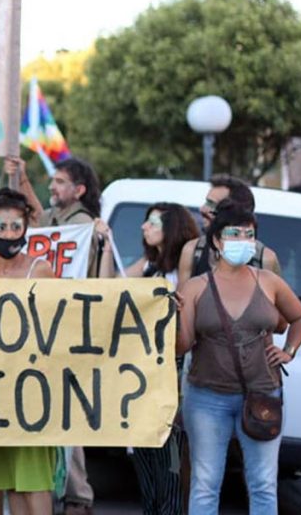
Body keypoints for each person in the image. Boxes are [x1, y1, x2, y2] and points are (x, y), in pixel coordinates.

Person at [176, 198, 301, 514]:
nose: (243, 241)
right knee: (206, 483)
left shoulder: (269, 281)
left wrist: (288, 350)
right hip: (206, 396)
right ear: (217, 241)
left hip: (262, 393)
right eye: (235, 234)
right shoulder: (195, 287)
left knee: (263, 484)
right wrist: (178, 315)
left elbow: (300, 318)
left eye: (249, 235)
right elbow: (182, 346)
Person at [6, 156, 100, 514]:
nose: (53, 187)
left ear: (79, 190)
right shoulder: (59, 221)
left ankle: (78, 495)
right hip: (48, 331)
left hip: (69, 330)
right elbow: (36, 218)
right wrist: (23, 178)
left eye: (59, 182)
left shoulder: (83, 225)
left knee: (67, 415)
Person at [96, 203, 198, 515]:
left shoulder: (186, 270)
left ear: (173, 228)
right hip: (142, 378)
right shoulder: (150, 264)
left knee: (169, 462)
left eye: (152, 222)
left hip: (171, 376)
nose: (144, 227)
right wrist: (104, 248)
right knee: (145, 460)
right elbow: (108, 287)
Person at [0, 188, 56, 515]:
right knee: (8, 484)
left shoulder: (41, 270)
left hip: (33, 391)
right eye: (1, 227)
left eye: (15, 226)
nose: (9, 234)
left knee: (35, 482)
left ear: (25, 228)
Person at [177, 174, 280, 284]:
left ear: (235, 212)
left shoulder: (264, 259)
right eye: (206, 202)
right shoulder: (193, 251)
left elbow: (276, 299)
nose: (202, 209)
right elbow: (183, 299)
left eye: (211, 204)